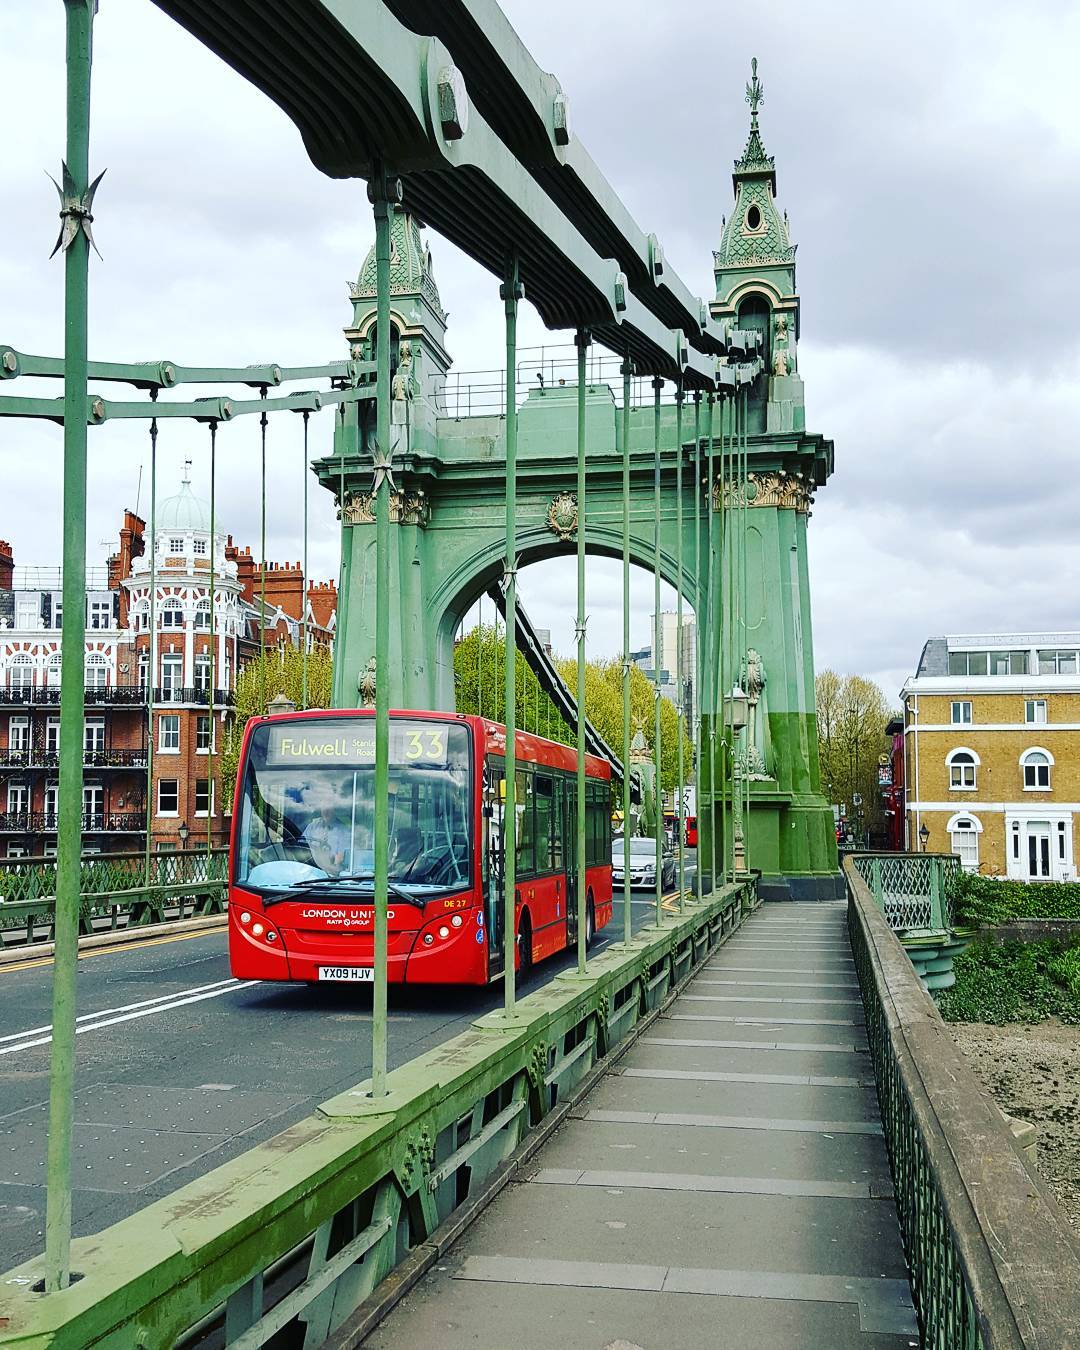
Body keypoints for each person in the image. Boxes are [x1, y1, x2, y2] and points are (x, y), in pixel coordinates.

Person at [302, 804, 353, 875]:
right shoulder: (312, 826)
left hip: (332, 873)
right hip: (311, 870)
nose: (326, 811)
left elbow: (341, 858)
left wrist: (328, 867)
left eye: (329, 808)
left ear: (334, 810)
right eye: (323, 808)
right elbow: (301, 845)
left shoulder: (343, 830)